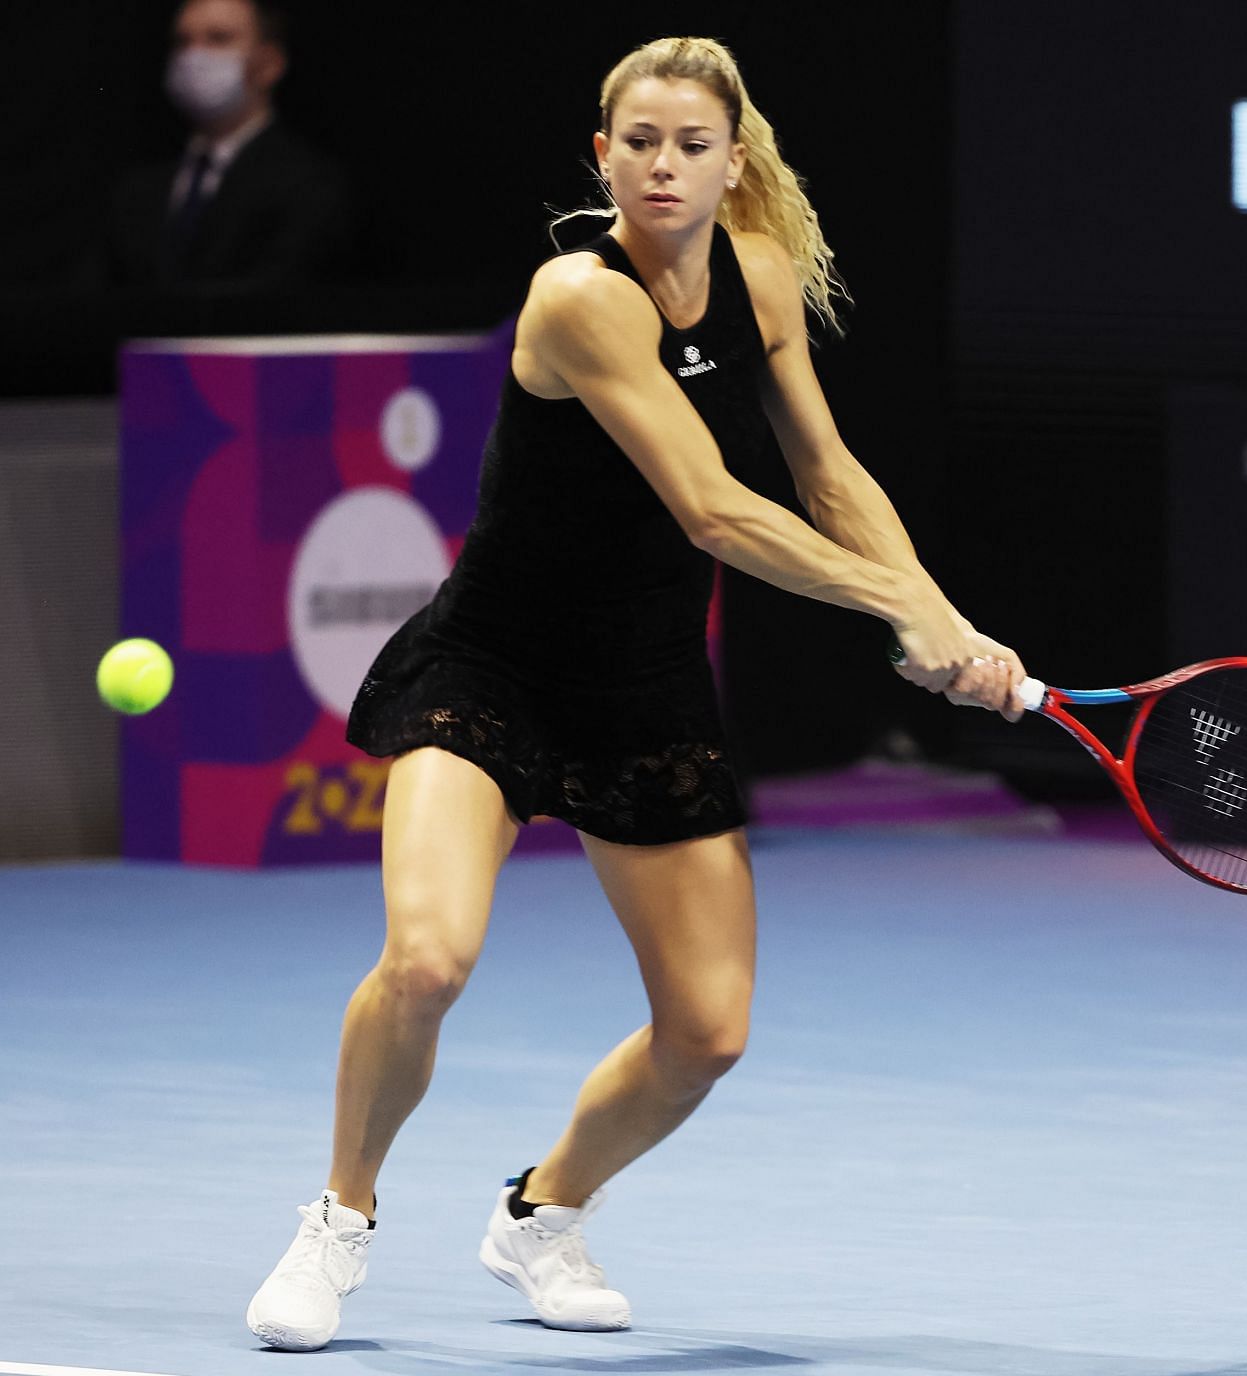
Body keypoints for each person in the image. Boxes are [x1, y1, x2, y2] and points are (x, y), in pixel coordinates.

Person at [243, 35, 1025, 1352]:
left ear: (734, 164)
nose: (664, 167)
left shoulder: (758, 281)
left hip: (643, 685)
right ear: (603, 157)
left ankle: (542, 1212)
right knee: (429, 958)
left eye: (692, 146)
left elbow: (826, 476)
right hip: (491, 665)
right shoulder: (578, 298)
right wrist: (904, 612)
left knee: (707, 1032)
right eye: (641, 144)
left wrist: (938, 611)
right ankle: (339, 1221)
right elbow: (715, 510)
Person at [108, 0, 352, 288]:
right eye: (182, 41)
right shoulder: (137, 190)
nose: (194, 55)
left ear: (270, 64)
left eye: (218, 38)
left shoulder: (310, 184)